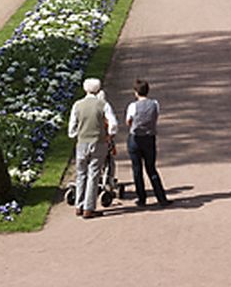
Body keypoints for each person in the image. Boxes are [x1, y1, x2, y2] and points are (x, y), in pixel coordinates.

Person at [68, 78, 118, 218]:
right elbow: (113, 124)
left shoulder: (77, 105)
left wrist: (78, 134)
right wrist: (109, 135)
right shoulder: (103, 104)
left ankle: (79, 205)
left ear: (85, 89)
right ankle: (88, 208)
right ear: (98, 89)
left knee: (81, 174)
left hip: (82, 143)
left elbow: (71, 129)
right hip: (98, 142)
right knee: (94, 174)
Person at [125, 79, 169, 207]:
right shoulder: (155, 103)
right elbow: (155, 116)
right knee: (151, 168)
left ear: (135, 92)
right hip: (149, 138)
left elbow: (128, 121)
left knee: (137, 169)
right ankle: (161, 197)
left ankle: (142, 198)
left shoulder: (132, 106)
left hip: (135, 139)